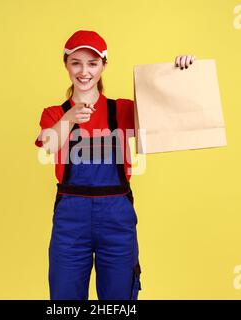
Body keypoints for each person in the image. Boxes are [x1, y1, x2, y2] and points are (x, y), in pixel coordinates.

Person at [35, 30, 195, 300]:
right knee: (65, 299)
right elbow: (48, 145)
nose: (84, 71)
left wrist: (183, 74)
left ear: (104, 66)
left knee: (119, 299)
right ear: (66, 64)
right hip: (70, 220)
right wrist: (70, 118)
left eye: (92, 63)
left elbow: (172, 115)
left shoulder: (122, 110)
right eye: (76, 62)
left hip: (117, 219)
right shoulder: (55, 114)